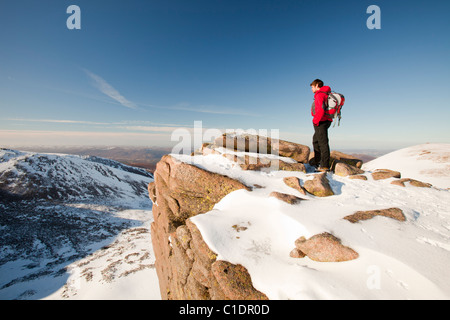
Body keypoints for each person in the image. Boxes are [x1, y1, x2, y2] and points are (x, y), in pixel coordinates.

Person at [309, 79, 332, 172]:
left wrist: (315, 120)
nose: (311, 89)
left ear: (317, 85)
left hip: (321, 121)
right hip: (325, 120)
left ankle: (324, 166)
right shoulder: (325, 93)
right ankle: (317, 160)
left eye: (312, 87)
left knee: (323, 143)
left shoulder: (320, 94)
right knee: (316, 141)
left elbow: (321, 110)